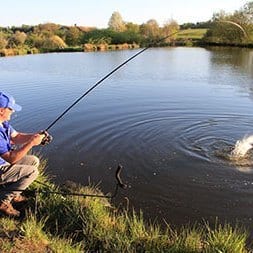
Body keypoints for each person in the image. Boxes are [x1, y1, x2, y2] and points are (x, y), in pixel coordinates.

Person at [0, 91, 51, 217]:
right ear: (1, 110)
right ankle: (3, 201)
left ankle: (14, 193)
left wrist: (34, 137)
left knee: (34, 161)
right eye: (10, 109)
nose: (13, 111)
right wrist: (31, 143)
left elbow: (16, 137)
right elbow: (11, 159)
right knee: (33, 172)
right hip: (1, 167)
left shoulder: (3, 123)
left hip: (3, 163)